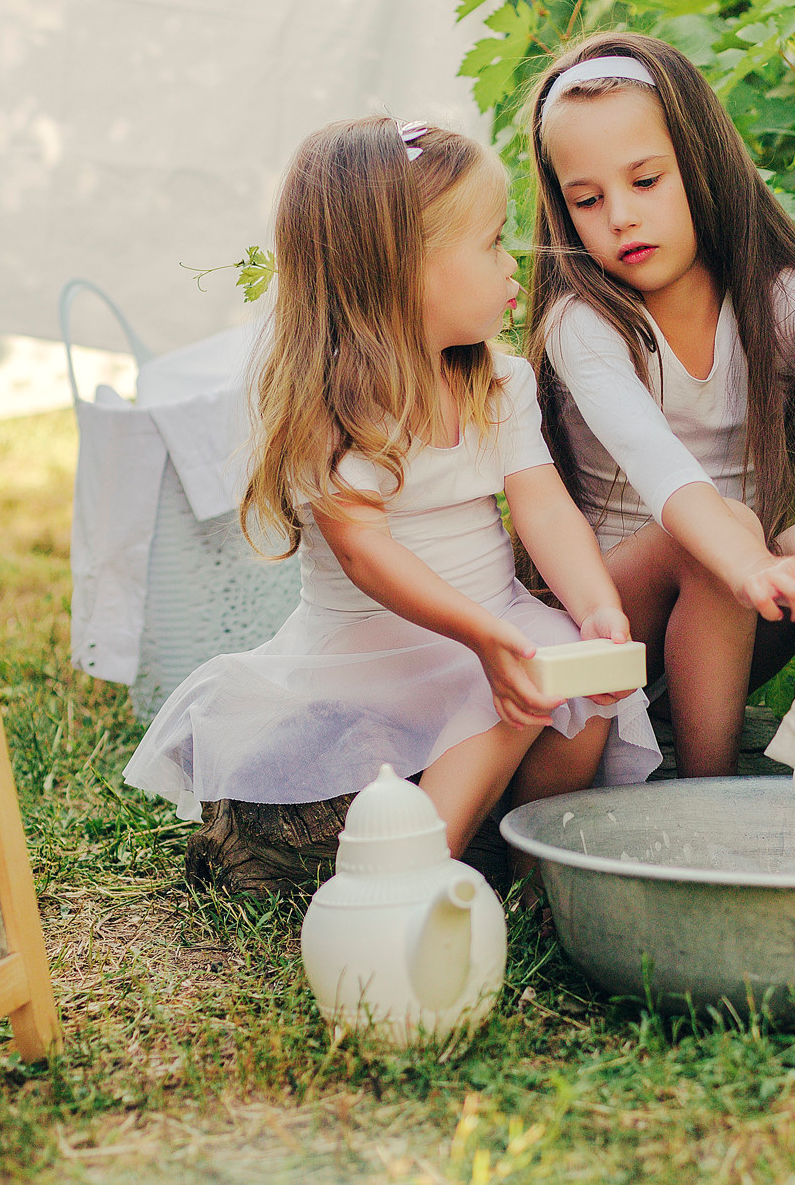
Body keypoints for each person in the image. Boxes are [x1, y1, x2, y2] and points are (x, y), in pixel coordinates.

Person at [124, 116, 659, 879]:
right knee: (501, 704)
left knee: (583, 698)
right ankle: (404, 873)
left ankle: (533, 860)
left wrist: (597, 606)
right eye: (492, 243)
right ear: (405, 268)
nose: (515, 267)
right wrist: (483, 639)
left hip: (491, 620)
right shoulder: (340, 407)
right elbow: (366, 553)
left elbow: (541, 506)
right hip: (378, 654)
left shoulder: (499, 382)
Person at [525, 32, 795, 780]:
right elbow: (659, 469)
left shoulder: (776, 298)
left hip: (737, 617)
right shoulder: (582, 323)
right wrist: (751, 565)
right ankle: (707, 785)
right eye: (588, 200)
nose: (620, 217)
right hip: (609, 624)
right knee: (721, 526)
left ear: (701, 166)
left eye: (646, 182)